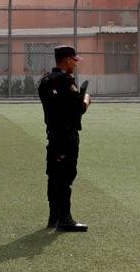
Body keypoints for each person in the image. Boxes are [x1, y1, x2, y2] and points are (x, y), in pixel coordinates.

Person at [38, 45, 92, 232]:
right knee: (65, 178)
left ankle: (54, 217)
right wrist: (86, 100)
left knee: (53, 177)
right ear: (67, 60)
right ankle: (65, 219)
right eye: (74, 61)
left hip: (53, 135)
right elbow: (77, 110)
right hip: (66, 137)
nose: (75, 65)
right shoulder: (65, 81)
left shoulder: (45, 81)